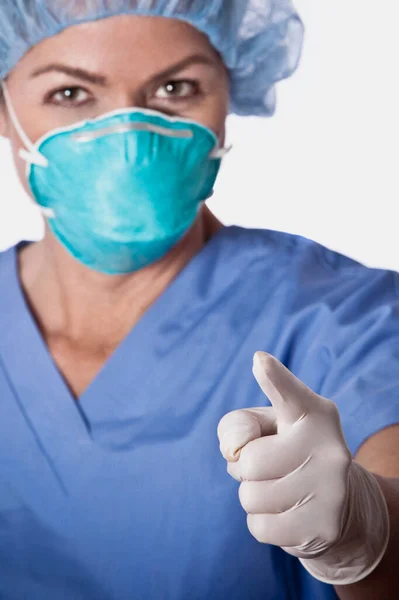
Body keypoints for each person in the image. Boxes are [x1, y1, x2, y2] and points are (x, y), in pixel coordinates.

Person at [0, 1, 398, 599]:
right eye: (71, 94)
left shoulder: (351, 319)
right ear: (4, 108)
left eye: (175, 86)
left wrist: (364, 536)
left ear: (228, 96)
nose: (130, 138)